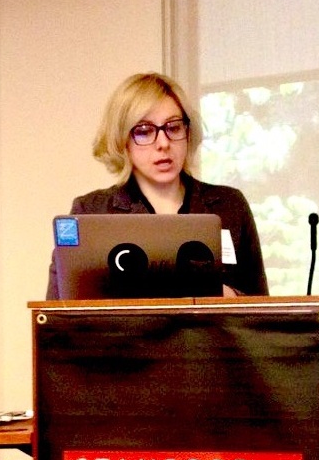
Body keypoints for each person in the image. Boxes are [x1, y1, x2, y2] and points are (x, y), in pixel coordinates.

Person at [46, 72, 268, 299]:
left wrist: (229, 296)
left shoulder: (229, 205)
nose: (163, 143)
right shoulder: (91, 211)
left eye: (173, 128)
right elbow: (54, 313)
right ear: (121, 140)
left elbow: (264, 309)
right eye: (144, 131)